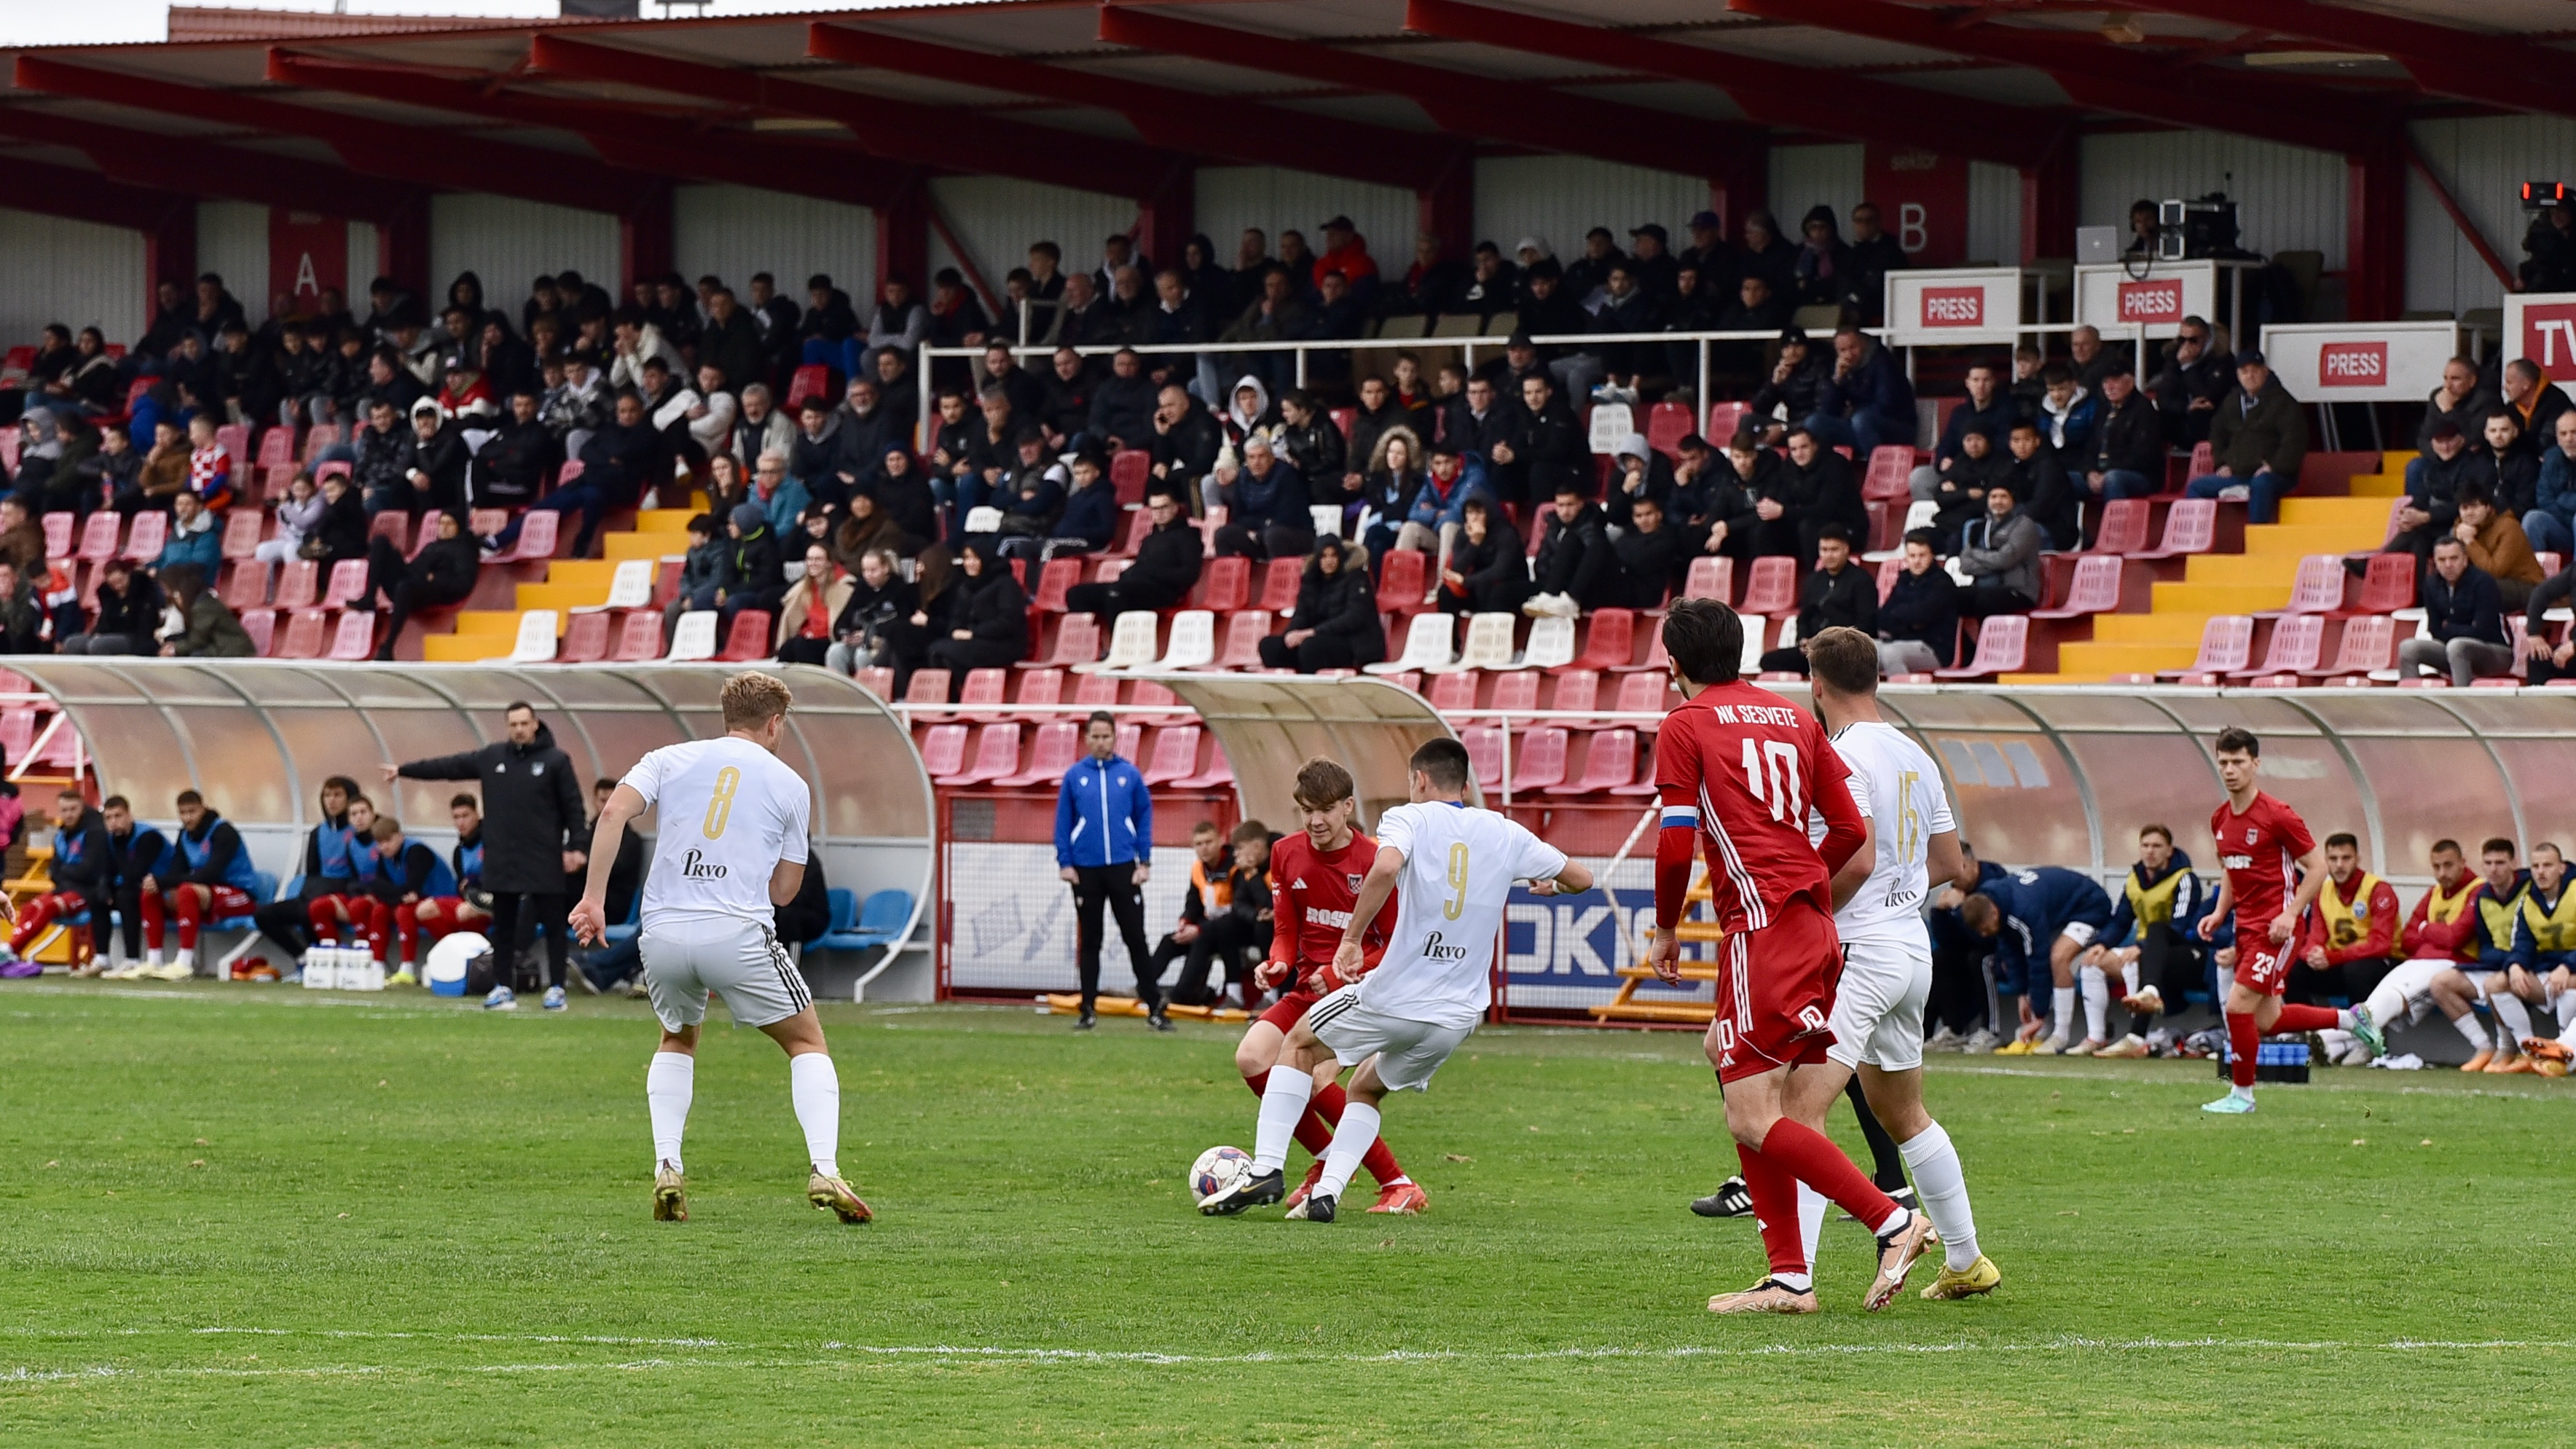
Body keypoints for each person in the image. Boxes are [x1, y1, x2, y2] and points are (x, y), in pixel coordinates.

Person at [1640, 600, 1932, 1313]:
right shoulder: (1794, 718)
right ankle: (1789, 1279)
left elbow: (1676, 839)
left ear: (1672, 664)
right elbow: (1848, 827)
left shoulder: (1684, 725)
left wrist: (1665, 929)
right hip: (1811, 925)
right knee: (1735, 1067)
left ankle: (1892, 1221)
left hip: (1761, 928)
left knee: (1748, 1114)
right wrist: (1805, 877)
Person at [1201, 738, 1590, 1225]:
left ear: (1419, 780)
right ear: (1465, 785)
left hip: (1397, 995)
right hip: (1458, 1016)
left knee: (1298, 1047)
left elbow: (1386, 865)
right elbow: (1583, 877)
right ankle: (1328, 1192)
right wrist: (1549, 882)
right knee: (1364, 1089)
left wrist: (1351, 940)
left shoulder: (1409, 818)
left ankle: (1266, 1170)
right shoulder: (1507, 833)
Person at [570, 671, 870, 1226]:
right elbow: (784, 891)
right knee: (807, 1040)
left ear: (727, 715)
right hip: (735, 930)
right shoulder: (789, 784)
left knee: (677, 1038)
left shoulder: (668, 757)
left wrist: (594, 900)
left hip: (660, 932)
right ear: (775, 722)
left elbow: (612, 813)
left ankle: (667, 1164)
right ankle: (824, 1167)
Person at [1752, 628, 1994, 1298]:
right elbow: (1951, 864)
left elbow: (1854, 857)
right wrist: (1900, 894)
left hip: (1858, 949)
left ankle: (1793, 1277)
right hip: (1910, 949)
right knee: (1903, 1112)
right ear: (1879, 680)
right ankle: (1966, 1260)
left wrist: (1804, 916)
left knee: (1796, 1109)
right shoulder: (1914, 753)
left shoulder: (1843, 755)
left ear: (1817, 685)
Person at [1239, 758, 1425, 1215]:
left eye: (1324, 810)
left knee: (1316, 1074)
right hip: (1307, 991)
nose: (1315, 821)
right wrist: (1278, 964)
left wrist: (1342, 971)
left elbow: (1395, 944)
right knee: (1250, 1057)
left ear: (1347, 807)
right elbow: (1286, 930)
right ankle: (1326, 1159)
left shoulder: (1377, 860)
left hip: (1361, 994)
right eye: (1306, 811)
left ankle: (1396, 1181)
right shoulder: (1284, 852)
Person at [386, 700, 587, 1012]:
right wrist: (404, 770)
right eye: (513, 724)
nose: (519, 730)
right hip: (502, 858)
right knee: (503, 926)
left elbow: (574, 807)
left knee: (552, 923)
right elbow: (449, 767)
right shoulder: (493, 757)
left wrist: (577, 848)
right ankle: (503, 987)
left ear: (535, 724)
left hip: (543, 856)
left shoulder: (556, 761)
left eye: (524, 723)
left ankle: (557, 988)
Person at [2196, 727, 2339, 1114]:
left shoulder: (2278, 815)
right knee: (2267, 1019)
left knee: (2237, 1006)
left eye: (2238, 762)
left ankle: (2242, 1096)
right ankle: (2350, 1019)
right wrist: (2219, 911)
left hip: (2277, 929)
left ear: (2255, 764)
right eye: (2224, 762)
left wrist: (2290, 914)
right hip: (2246, 925)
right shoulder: (2221, 818)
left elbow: (2317, 868)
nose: (2230, 770)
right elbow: (2231, 867)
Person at [1053, 712, 1154, 1031]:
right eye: (1095, 737)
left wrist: (1145, 861)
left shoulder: (1130, 775)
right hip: (1086, 869)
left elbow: (1144, 817)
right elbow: (1062, 822)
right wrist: (1065, 862)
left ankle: (1155, 1009)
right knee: (1091, 941)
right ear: (1086, 739)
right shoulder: (1074, 777)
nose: (1100, 742)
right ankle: (1088, 1010)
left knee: (1135, 938)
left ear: (1115, 737)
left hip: (1124, 868)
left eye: (1106, 736)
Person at [2081, 824, 2210, 1058]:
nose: (2150, 851)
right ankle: (2095, 1037)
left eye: (2157, 846)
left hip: (2184, 953)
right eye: (2146, 845)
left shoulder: (2185, 879)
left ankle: (2136, 1037)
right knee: (2092, 962)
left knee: (2154, 934)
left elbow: (2180, 927)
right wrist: (2102, 943)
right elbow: (2121, 920)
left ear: (2169, 851)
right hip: (2149, 951)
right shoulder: (2134, 878)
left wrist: (2141, 947)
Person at [1961, 864, 2115, 1055]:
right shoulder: (1995, 903)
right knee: (2043, 960)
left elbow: (2038, 960)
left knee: (2057, 958)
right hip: (2061, 914)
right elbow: (2012, 953)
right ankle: (2042, 1030)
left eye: (1985, 928)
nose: (1984, 935)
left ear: (1994, 913)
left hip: (2090, 906)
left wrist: (2039, 1015)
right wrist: (2023, 995)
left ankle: (2060, 1034)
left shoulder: (2023, 910)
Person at [135, 790, 262, 981]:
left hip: (238, 895)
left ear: (203, 808)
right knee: (151, 893)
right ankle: (154, 960)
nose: (187, 818)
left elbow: (210, 875)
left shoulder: (223, 832)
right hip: (206, 894)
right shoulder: (185, 835)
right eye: (183, 813)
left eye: (192, 812)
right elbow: (176, 871)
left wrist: (164, 882)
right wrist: (158, 884)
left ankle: (184, 963)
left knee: (187, 891)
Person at [2183, 350, 2307, 526]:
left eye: (2255, 370)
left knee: (2261, 483)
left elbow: (2294, 441)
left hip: (2275, 475)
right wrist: (2221, 463)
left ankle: (2258, 537)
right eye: (2244, 371)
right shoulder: (2232, 400)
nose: (2250, 376)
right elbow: (2217, 433)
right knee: (2196, 487)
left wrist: (2274, 466)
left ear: (2265, 371)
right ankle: (2196, 537)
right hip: (2238, 474)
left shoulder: (2284, 402)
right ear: (2238, 375)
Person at [1, 788, 115, 974]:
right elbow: (54, 870)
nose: (69, 814)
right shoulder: (61, 835)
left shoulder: (95, 832)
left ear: (82, 808)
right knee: (31, 906)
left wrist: (65, 873)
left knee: (48, 907)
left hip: (88, 893)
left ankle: (10, 949)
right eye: (64, 810)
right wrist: (66, 874)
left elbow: (90, 870)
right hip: (65, 889)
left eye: (73, 809)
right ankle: (15, 953)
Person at [2288, 833, 2400, 1014]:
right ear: (2326, 861)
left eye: (2346, 858)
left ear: (2357, 859)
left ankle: (2365, 1034)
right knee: (2292, 970)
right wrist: (2312, 954)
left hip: (2382, 963)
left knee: (2356, 971)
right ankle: (2310, 1029)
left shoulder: (2378, 890)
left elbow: (2381, 945)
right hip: (2341, 962)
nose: (2339, 865)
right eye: (2333, 859)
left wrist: (2333, 957)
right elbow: (2316, 934)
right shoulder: (2323, 891)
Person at [1169, 820, 1271, 1013]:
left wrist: (1262, 912)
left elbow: (1269, 902)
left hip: (1280, 928)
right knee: (1217, 929)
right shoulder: (1201, 869)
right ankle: (1232, 994)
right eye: (1199, 844)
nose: (1236, 854)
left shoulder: (1274, 864)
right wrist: (1186, 921)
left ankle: (1272, 994)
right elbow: (1239, 902)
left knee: (1261, 928)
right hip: (1242, 924)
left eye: (1240, 849)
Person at [391, 793, 493, 985]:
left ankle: (478, 956)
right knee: (422, 911)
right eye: (456, 817)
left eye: (465, 816)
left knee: (462, 911)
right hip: (468, 902)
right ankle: (458, 956)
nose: (461, 822)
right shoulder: (459, 851)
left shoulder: (491, 841)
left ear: (477, 815)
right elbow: (462, 886)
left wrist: (475, 886)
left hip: (493, 903)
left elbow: (495, 877)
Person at [363, 508, 478, 661]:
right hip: (413, 579)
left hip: (433, 591)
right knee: (380, 543)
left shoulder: (463, 550)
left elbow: (463, 584)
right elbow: (414, 569)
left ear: (459, 527)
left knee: (405, 586)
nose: (443, 527)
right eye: (441, 523)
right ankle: (369, 598)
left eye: (449, 524)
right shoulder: (432, 546)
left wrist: (436, 579)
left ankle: (388, 647)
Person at [1063, 489, 1200, 618]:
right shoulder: (1150, 539)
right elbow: (1140, 567)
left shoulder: (1189, 535)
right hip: (1136, 586)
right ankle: (1091, 640)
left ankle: (1117, 641)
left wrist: (1150, 572)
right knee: (1076, 594)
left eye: (1163, 507)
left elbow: (1189, 575)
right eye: (1154, 508)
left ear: (1175, 508)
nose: (1158, 512)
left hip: (1165, 591)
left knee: (1118, 593)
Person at [1756, 525, 1874, 675]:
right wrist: (1803, 640)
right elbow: (1804, 618)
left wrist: (1832, 643)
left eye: (1834, 550)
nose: (1829, 555)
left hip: (1843, 651)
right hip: (1813, 649)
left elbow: (1865, 624)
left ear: (1846, 549)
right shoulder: (1813, 580)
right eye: (1824, 550)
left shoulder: (1862, 581)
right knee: (1769, 661)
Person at [2397, 536, 2510, 688]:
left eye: (2454, 559)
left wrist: (2449, 627)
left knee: (2457, 646)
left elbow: (2483, 630)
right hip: (2452, 650)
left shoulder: (2483, 582)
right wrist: (2461, 629)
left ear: (2465, 559)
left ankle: (2462, 703)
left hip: (2495, 652)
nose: (2448, 565)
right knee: (2408, 647)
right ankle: (2413, 704)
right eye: (2442, 560)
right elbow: (2435, 629)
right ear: (2435, 562)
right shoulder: (2431, 585)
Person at [1257, 537, 1383, 672]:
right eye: (1323, 556)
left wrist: (1312, 632)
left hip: (1354, 644)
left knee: (1311, 647)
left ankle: (1311, 689)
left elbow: (1354, 618)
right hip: (1318, 637)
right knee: (1269, 646)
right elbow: (1301, 614)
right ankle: (1288, 688)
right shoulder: (1311, 581)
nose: (1329, 561)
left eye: (1333, 555)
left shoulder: (1357, 578)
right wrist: (1291, 634)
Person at [91, 796, 171, 980]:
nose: (113, 822)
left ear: (130, 815)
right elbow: (107, 870)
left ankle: (132, 959)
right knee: (97, 897)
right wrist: (104, 887)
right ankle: (102, 957)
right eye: (108, 818)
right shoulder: (112, 839)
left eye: (118, 816)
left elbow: (135, 873)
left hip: (164, 892)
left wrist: (119, 843)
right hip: (137, 889)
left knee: (126, 896)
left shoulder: (148, 836)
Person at [1877, 530, 1960, 674]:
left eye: (1922, 555)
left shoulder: (1942, 583)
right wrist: (1909, 621)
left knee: (1892, 653)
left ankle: (1901, 694)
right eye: (1912, 556)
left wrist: (1899, 615)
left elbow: (1923, 615)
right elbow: (1883, 618)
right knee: (1858, 650)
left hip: (1934, 648)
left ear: (1931, 556)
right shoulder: (1903, 580)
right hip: (1900, 641)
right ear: (1906, 558)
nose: (1917, 561)